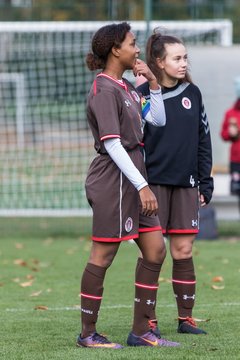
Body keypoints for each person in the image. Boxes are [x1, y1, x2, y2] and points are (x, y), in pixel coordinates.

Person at [76, 22, 180, 349]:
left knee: (155, 250)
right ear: (115, 50)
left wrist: (152, 83)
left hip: (134, 177)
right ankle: (88, 334)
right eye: (132, 43)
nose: (137, 49)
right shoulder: (104, 89)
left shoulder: (127, 88)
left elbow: (157, 119)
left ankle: (141, 331)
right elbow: (112, 144)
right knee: (103, 254)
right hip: (114, 180)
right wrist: (142, 186)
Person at [137, 29, 214, 335]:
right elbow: (134, 141)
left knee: (183, 250)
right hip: (152, 186)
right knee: (153, 253)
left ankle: (186, 319)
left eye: (185, 58)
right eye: (177, 58)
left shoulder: (193, 94)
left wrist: (205, 184)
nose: (183, 63)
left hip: (187, 184)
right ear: (159, 61)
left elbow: (203, 140)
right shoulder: (142, 94)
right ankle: (146, 321)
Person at [220, 77, 240, 214]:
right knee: (238, 192)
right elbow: (223, 134)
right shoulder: (230, 113)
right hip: (236, 160)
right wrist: (230, 133)